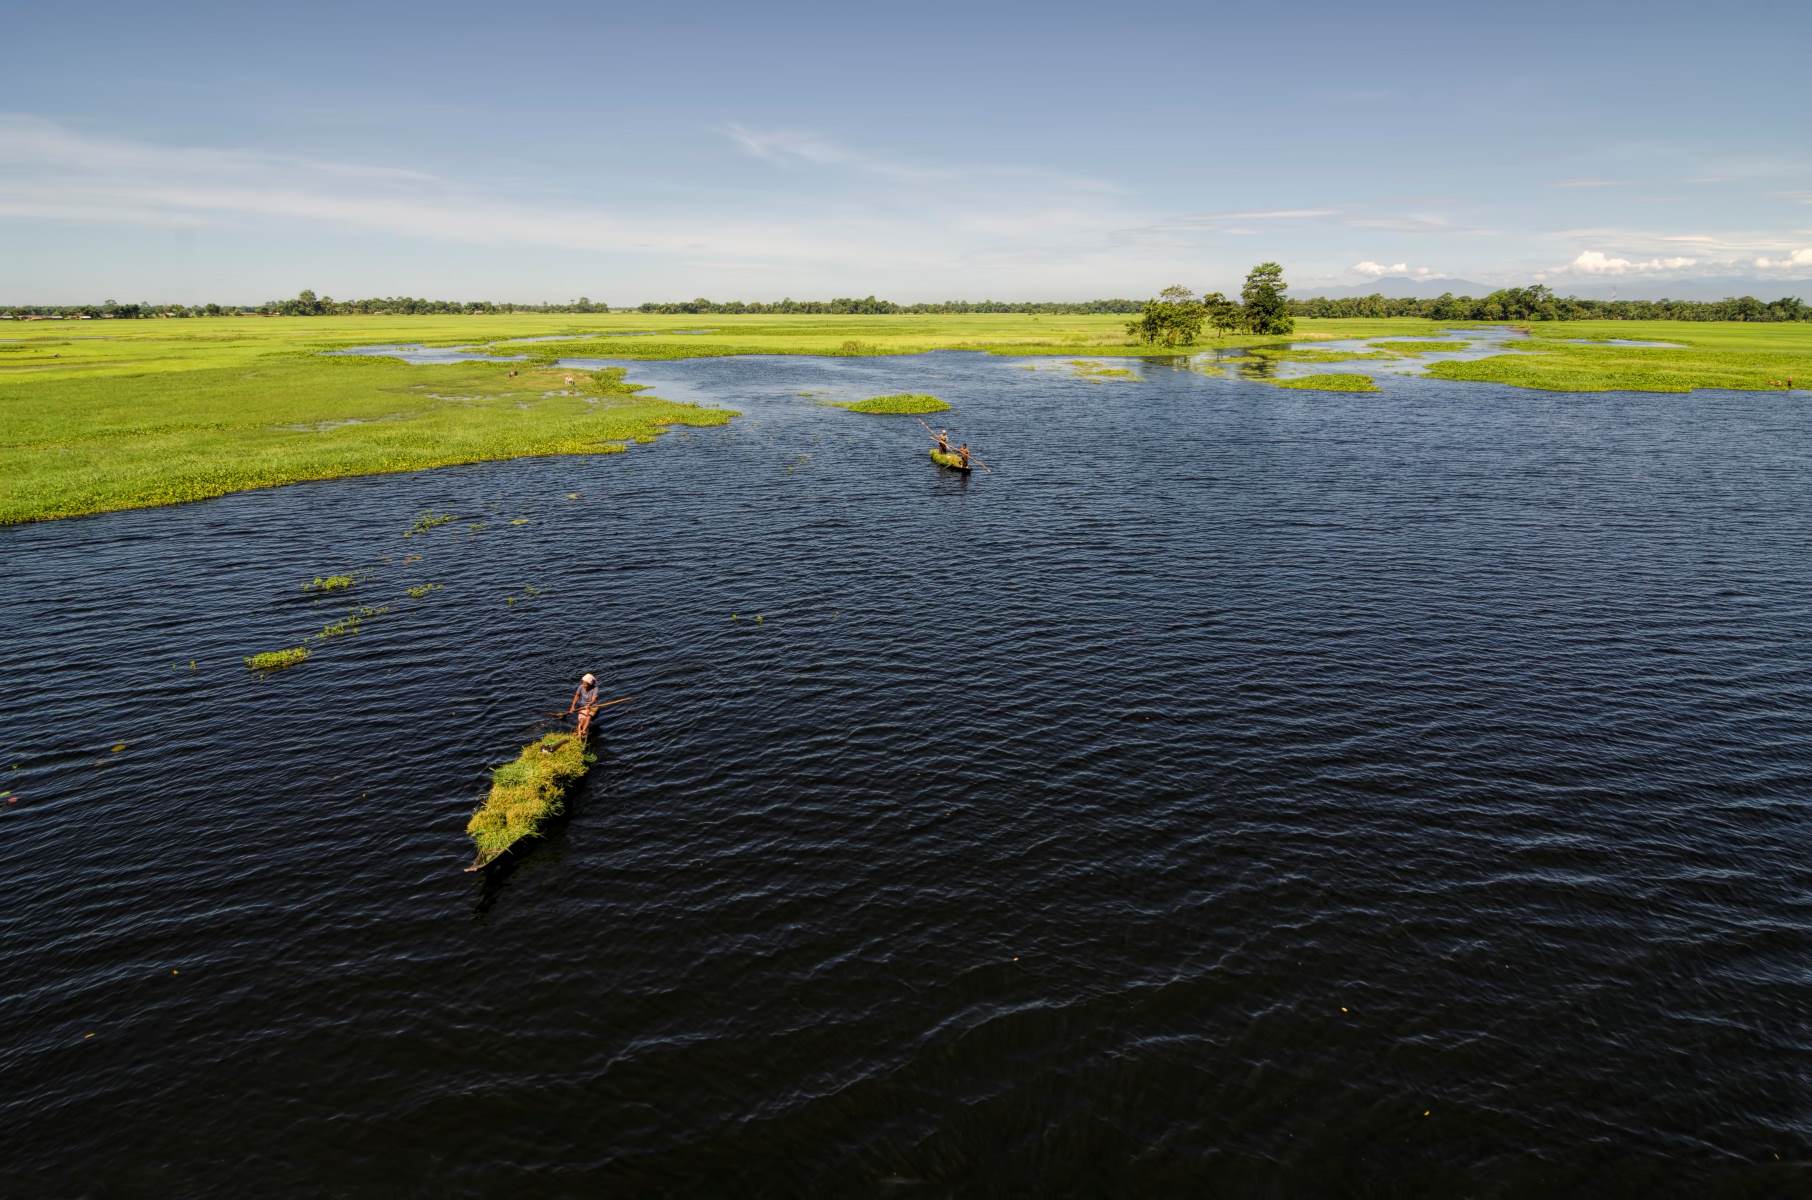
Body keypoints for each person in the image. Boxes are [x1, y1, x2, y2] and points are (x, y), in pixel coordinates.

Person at [568, 672, 600, 739]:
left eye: (585, 684)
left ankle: (584, 731)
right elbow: (577, 696)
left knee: (588, 717)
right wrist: (572, 706)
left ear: (589, 684)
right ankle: (579, 729)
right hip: (583, 706)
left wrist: (589, 704)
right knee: (582, 720)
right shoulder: (581, 687)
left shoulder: (595, 688)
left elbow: (594, 699)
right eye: (583, 683)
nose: (583, 685)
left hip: (593, 706)